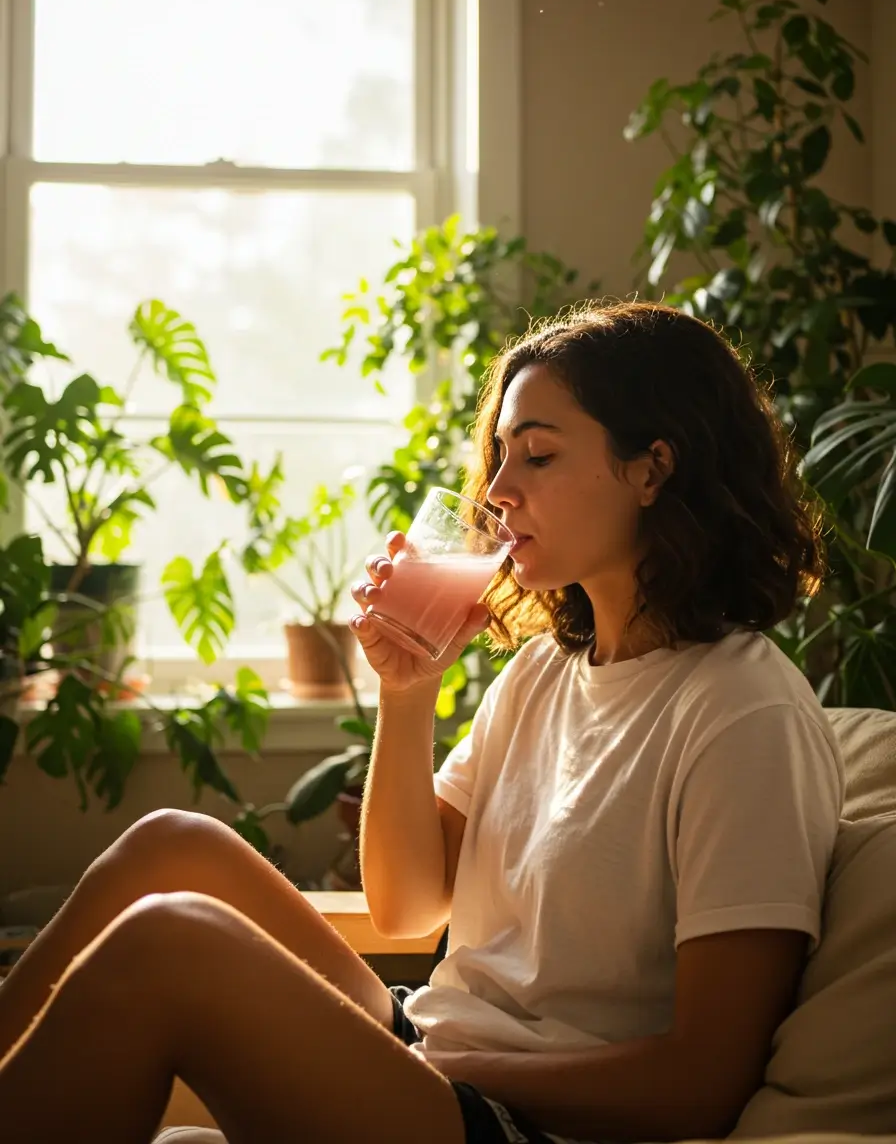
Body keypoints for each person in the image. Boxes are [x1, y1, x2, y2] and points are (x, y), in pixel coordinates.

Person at [0, 301, 843, 1144]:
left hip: (521, 1115)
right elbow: (405, 909)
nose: (500, 490)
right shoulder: (542, 675)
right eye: (500, 456)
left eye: (540, 455)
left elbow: (702, 1080)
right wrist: (409, 693)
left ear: (652, 469)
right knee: (171, 845)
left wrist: (444, 1067)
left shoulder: (742, 713)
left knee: (170, 942)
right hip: (440, 1049)